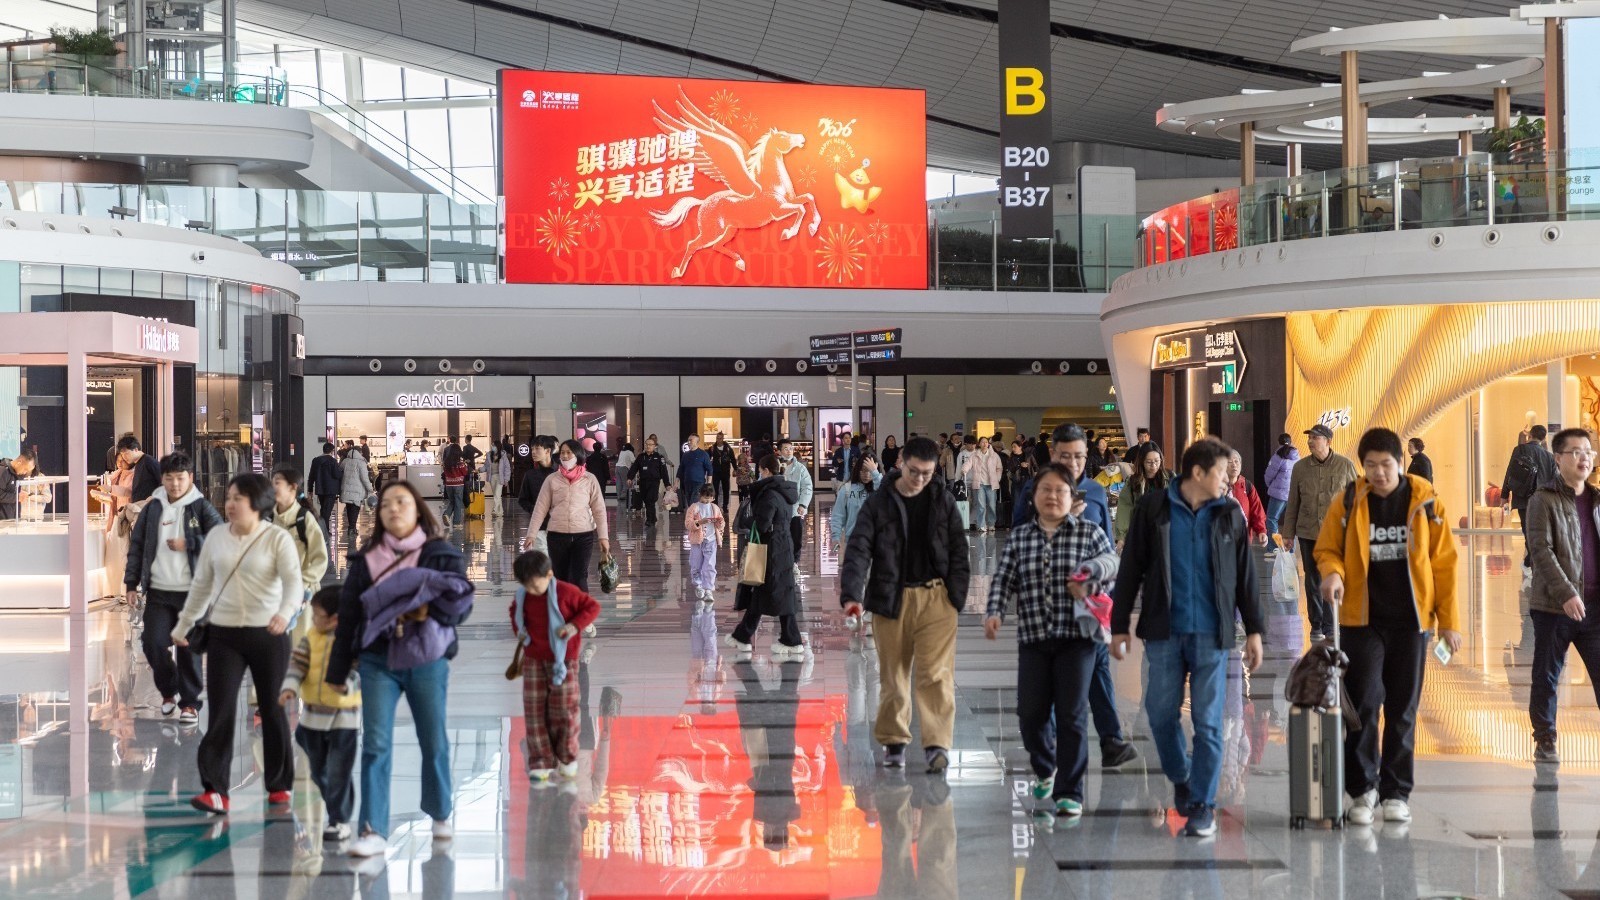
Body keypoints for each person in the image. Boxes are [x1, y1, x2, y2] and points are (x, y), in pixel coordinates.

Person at [1111, 437, 1265, 838]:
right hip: (1164, 631)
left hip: (1212, 636)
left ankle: (1201, 805)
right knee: (1159, 716)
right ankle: (1180, 778)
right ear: (1198, 473)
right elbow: (1131, 569)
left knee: (1209, 723)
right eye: (1221, 472)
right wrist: (1119, 625)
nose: (1228, 479)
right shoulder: (1153, 509)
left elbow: (1246, 575)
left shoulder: (1229, 513)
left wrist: (1254, 630)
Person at [1314, 427, 1460, 826]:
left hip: (1412, 623)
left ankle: (1396, 792)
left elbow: (1445, 564)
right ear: (1363, 466)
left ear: (1400, 462)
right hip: (1363, 620)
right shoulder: (1348, 501)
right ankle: (1362, 791)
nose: (1379, 473)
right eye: (1371, 465)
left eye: (1386, 464)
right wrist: (1332, 573)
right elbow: (1327, 548)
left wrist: (1449, 623)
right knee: (1363, 704)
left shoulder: (1426, 502)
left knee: (1403, 707)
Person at [328, 480, 472, 858]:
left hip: (427, 659)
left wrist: (430, 610)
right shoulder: (366, 558)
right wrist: (336, 674)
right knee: (375, 743)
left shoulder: (439, 554)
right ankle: (373, 829)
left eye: (402, 502)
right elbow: (348, 619)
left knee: (434, 739)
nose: (393, 509)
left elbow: (461, 604)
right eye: (387, 504)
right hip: (378, 661)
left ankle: (441, 813)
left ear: (417, 509)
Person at [985, 463, 1119, 818]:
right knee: (1030, 713)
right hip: (1034, 636)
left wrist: (1088, 575)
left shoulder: (1088, 532)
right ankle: (1045, 766)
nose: (1052, 496)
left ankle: (1070, 792)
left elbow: (1111, 563)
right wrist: (994, 611)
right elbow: (1003, 577)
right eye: (1045, 489)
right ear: (1034, 496)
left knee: (1073, 715)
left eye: (1060, 491)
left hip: (1078, 639)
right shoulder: (1021, 536)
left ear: (1072, 497)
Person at [171, 473, 304, 815]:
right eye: (228, 497)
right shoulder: (216, 537)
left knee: (272, 712)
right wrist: (184, 625)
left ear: (257, 503)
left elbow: (293, 583)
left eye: (238, 498)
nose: (230, 504)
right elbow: (201, 586)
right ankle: (216, 791)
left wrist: (285, 613)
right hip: (224, 635)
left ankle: (278, 786)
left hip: (269, 634)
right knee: (221, 711)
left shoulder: (276, 539)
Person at [1011, 423, 1140, 768]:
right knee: (1056, 679)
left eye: (1079, 456)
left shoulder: (1096, 493)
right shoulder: (1034, 490)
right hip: (1047, 604)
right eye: (1065, 455)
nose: (1073, 462)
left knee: (1097, 667)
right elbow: (1019, 538)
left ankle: (1111, 740)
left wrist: (1110, 595)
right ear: (1052, 454)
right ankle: (1056, 744)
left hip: (1091, 603)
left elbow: (1109, 546)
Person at [840, 437, 970, 774]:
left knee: (935, 675)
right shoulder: (880, 502)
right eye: (914, 472)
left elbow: (959, 549)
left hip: (937, 599)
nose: (920, 479)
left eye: (927, 473)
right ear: (901, 461)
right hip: (890, 598)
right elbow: (858, 548)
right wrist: (852, 595)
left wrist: (955, 596)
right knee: (893, 677)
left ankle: (937, 745)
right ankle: (894, 741)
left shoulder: (941, 500)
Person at [125, 452, 224, 725]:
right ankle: (169, 692)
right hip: (158, 592)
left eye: (181, 478)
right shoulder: (153, 507)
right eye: (170, 478)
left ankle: (190, 704)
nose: (175, 484)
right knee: (152, 643)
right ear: (163, 479)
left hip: (192, 594)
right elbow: (137, 546)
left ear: (190, 478)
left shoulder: (200, 506)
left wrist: (189, 543)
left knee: (188, 648)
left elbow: (221, 537)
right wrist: (131, 583)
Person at [1523, 427, 1600, 765]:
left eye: (1589, 451)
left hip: (1595, 609)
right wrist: (1567, 593)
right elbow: (1541, 550)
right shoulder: (1543, 499)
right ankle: (1545, 737)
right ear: (1558, 458)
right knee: (1547, 676)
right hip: (1555, 607)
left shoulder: (1598, 499)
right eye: (1576, 452)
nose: (1584, 458)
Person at [509, 550, 600, 782]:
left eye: (535, 584)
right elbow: (515, 612)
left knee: (565, 710)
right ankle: (540, 760)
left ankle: (567, 757)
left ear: (549, 574)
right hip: (533, 660)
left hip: (564, 661)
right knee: (535, 711)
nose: (531, 590)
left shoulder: (566, 592)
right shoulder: (523, 596)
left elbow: (591, 608)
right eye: (526, 585)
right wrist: (520, 631)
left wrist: (572, 627)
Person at [279, 586, 361, 843]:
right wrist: (289, 688)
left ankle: (339, 819)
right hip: (313, 717)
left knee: (339, 770)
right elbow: (297, 664)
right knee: (318, 770)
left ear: (335, 618)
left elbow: (362, 672)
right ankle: (339, 805)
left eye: (317, 615)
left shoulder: (352, 640)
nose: (313, 620)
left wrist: (347, 685)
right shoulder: (311, 637)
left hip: (343, 717)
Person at [1280, 423, 1359, 642]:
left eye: (1315, 437)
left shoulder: (1345, 466)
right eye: (1309, 437)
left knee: (1333, 576)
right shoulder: (1300, 468)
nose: (1310, 441)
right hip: (1308, 533)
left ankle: (1331, 623)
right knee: (1312, 579)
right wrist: (1288, 533)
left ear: (1328, 441)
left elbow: (1358, 500)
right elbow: (1293, 502)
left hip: (1337, 536)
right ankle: (1316, 623)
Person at [724, 455, 806, 660]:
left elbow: (762, 524)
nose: (759, 473)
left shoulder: (769, 494)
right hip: (783, 545)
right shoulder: (785, 491)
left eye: (760, 470)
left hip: (771, 547)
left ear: (766, 470)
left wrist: (748, 519)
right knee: (772, 590)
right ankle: (747, 635)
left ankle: (790, 639)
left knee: (770, 590)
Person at [528, 440, 610, 604]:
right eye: (563, 452)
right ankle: (563, 614)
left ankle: (582, 614)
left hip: (583, 535)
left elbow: (599, 510)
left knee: (579, 577)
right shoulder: (552, 479)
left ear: (578, 455)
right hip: (557, 536)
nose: (565, 456)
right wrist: (531, 534)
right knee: (561, 578)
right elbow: (540, 508)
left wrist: (604, 538)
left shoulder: (590, 479)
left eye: (569, 452)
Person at [270, 464, 330, 628]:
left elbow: (321, 559)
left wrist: (300, 582)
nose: (273, 486)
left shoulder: (304, 519)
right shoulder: (268, 518)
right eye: (273, 482)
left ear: (292, 488)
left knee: (299, 642)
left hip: (301, 594)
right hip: (274, 593)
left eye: (278, 482)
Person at [1505, 425, 1558, 568]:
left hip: (1523, 498)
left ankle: (1532, 557)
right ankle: (1534, 558)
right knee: (1539, 530)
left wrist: (1504, 495)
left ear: (1530, 435)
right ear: (1543, 438)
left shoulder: (1520, 450)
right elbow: (1556, 480)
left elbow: (1510, 473)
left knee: (1527, 529)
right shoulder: (1549, 457)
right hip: (1542, 500)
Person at [1113, 443, 1173, 547]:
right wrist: (1121, 537)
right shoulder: (1133, 482)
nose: (1153, 465)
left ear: (1161, 460)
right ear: (1141, 462)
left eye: (1157, 461)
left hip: (1166, 533)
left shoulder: (1170, 478)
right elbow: (1125, 508)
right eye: (1149, 462)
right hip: (1141, 534)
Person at [777, 439, 814, 577]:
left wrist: (803, 504)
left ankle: (794, 563)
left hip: (795, 510)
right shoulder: (776, 466)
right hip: (778, 510)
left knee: (796, 537)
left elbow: (807, 487)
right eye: (785, 448)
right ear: (779, 451)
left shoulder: (800, 468)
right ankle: (781, 563)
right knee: (779, 537)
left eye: (790, 448)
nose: (789, 451)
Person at [686, 484, 725, 604]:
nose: (707, 500)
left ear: (713, 497)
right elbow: (688, 524)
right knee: (696, 563)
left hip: (711, 540)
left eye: (709, 498)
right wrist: (700, 522)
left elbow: (721, 523)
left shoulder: (715, 508)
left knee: (709, 565)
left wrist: (719, 522)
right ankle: (698, 585)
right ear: (700, 496)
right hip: (697, 541)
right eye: (705, 497)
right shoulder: (694, 507)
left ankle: (708, 589)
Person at [962, 435, 1003, 533]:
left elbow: (999, 468)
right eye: (982, 442)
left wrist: (997, 478)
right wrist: (964, 469)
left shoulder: (994, 455)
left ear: (988, 444)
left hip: (991, 484)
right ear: (979, 444)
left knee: (992, 505)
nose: (985, 444)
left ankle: (991, 524)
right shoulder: (975, 455)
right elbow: (968, 463)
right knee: (981, 506)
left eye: (986, 442)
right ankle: (981, 525)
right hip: (979, 483)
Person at [1226, 449, 1269, 545]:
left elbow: (1257, 510)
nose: (1234, 465)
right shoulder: (1218, 486)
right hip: (1223, 540)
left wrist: (1261, 530)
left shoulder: (1247, 485)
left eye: (1236, 461)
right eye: (1229, 462)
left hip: (1244, 540)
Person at [627, 437, 671, 527]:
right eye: (646, 444)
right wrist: (629, 478)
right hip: (643, 482)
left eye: (650, 444)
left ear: (654, 446)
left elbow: (664, 471)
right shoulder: (641, 457)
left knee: (651, 499)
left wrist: (667, 484)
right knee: (646, 500)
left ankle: (650, 520)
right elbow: (634, 468)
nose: (648, 446)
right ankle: (653, 517)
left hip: (654, 482)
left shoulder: (659, 457)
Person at [1263, 433, 1299, 542]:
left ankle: (1274, 547)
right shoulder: (1297, 456)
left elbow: (1269, 475)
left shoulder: (1278, 455)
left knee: (1272, 519)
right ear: (1291, 441)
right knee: (1291, 521)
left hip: (1278, 494)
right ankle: (1290, 548)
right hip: (1292, 493)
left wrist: (1270, 486)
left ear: (1278, 442)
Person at [518, 435, 559, 525]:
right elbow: (522, 500)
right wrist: (534, 509)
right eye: (532, 449)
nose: (533, 452)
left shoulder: (561, 472)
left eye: (537, 449)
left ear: (548, 451)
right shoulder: (530, 475)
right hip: (539, 526)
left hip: (560, 525)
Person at [308, 442, 343, 537]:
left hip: (320, 489)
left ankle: (324, 530)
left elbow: (311, 476)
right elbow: (336, 474)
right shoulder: (332, 461)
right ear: (332, 451)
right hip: (331, 490)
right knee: (326, 511)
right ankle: (324, 531)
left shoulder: (316, 460)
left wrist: (310, 489)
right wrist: (341, 472)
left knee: (323, 509)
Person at [339, 442, 372, 538]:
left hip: (346, 489)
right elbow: (365, 478)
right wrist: (370, 489)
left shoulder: (345, 461)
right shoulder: (361, 463)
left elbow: (339, 472)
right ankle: (352, 528)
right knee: (355, 509)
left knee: (349, 509)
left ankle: (351, 527)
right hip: (357, 491)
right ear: (359, 452)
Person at [117, 435, 163, 504]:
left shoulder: (148, 461)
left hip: (148, 508)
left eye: (126, 453)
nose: (124, 457)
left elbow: (164, 482)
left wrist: (153, 501)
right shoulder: (138, 464)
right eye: (122, 454)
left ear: (136, 449)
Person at [0, 448, 39, 519]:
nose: (25, 472)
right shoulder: (3, 471)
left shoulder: (18, 474)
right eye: (25, 469)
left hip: (13, 519)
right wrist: (17, 497)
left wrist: (20, 495)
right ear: (19, 462)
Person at [680, 434, 713, 510]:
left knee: (693, 503)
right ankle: (695, 519)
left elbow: (709, 469)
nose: (688, 442)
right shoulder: (685, 455)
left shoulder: (703, 454)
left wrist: (708, 484)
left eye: (691, 440)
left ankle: (695, 520)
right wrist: (676, 482)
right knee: (689, 503)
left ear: (697, 442)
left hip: (699, 483)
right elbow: (681, 468)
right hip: (687, 483)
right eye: (688, 440)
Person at [710, 433, 737, 510]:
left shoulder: (728, 448)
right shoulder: (712, 448)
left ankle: (725, 506)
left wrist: (735, 469)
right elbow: (707, 458)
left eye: (720, 438)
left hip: (725, 472)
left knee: (726, 489)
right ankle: (715, 506)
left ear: (723, 438)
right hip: (716, 472)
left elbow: (733, 459)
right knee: (715, 489)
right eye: (717, 438)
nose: (718, 440)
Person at [441, 453, 467, 528]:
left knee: (453, 501)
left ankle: (446, 514)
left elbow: (444, 473)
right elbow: (464, 472)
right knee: (458, 502)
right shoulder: (460, 463)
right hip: (458, 484)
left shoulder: (446, 463)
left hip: (448, 485)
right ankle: (456, 522)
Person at [486, 443, 511, 518]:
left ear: (498, 447)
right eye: (492, 445)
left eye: (494, 445)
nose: (492, 447)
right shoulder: (489, 455)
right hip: (492, 477)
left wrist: (506, 479)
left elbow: (507, 468)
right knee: (497, 495)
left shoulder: (503, 456)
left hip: (500, 477)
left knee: (497, 494)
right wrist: (480, 469)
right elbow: (486, 465)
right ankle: (500, 512)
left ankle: (494, 509)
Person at [615, 442, 637, 513]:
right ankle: (623, 496)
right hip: (624, 468)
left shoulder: (622, 451)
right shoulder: (629, 452)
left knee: (618, 483)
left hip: (617, 467)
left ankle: (618, 496)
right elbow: (633, 460)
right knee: (626, 483)